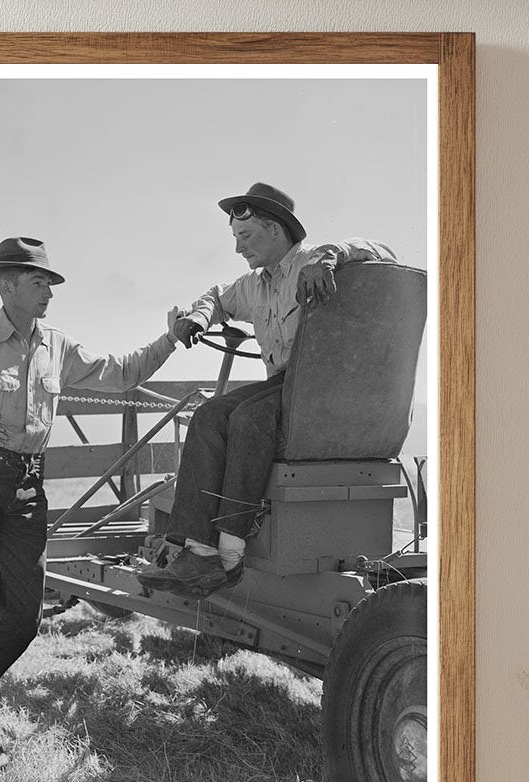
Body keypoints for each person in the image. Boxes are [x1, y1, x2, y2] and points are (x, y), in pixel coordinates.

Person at [0, 237, 179, 761]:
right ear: (6, 285)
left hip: (27, 486)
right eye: (38, 282)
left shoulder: (58, 347)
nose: (48, 292)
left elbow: (121, 373)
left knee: (22, 615)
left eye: (49, 283)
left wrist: (171, 338)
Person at [136, 182, 396, 598]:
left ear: (275, 230)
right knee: (207, 415)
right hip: (284, 385)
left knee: (249, 418)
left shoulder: (314, 261)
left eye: (246, 237)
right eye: (236, 239)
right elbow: (217, 296)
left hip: (323, 390)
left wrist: (332, 256)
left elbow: (384, 252)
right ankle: (199, 552)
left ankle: (231, 552)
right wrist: (201, 317)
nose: (239, 249)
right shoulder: (254, 285)